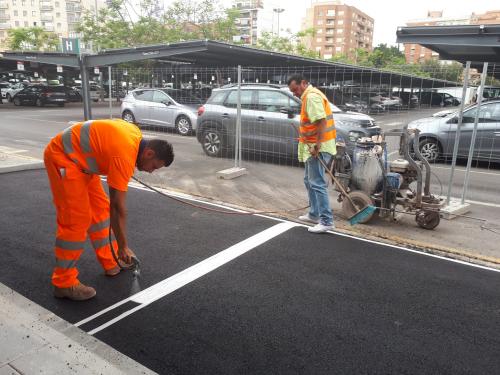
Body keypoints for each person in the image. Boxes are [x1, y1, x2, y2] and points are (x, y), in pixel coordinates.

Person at [44, 119, 174, 300]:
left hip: (83, 165)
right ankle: (64, 283)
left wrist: (121, 248)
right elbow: (118, 207)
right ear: (149, 153)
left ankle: (110, 259)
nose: (151, 172)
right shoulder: (124, 155)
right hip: (63, 158)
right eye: (153, 166)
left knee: (100, 212)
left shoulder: (135, 138)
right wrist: (124, 246)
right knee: (76, 220)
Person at [287, 74, 336, 233]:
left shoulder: (311, 97)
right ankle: (314, 214)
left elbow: (321, 121)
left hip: (318, 147)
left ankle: (326, 220)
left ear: (303, 83)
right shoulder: (309, 96)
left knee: (317, 183)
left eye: (295, 90)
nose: (295, 94)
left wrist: (318, 145)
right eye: (292, 92)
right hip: (313, 145)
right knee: (309, 180)